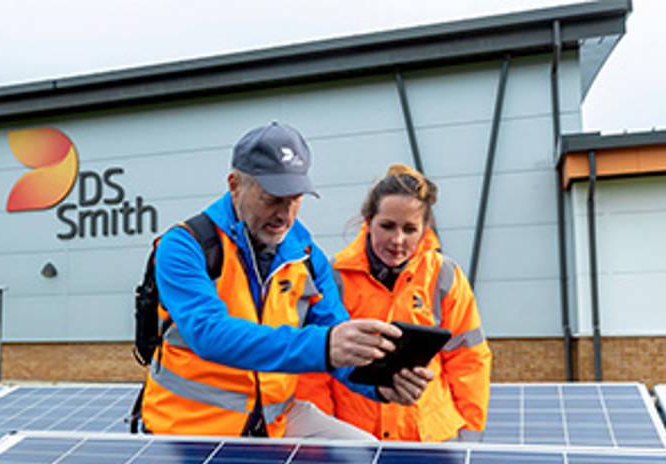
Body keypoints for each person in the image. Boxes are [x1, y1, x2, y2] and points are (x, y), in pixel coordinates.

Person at [140, 122, 434, 437]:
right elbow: (209, 334)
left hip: (275, 419)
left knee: (368, 457)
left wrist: (378, 383)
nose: (285, 214)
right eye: (272, 198)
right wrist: (323, 346)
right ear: (235, 185)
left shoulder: (306, 256)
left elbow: (336, 338)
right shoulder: (185, 246)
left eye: (295, 199)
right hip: (189, 429)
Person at [296, 164, 492, 442]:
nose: (397, 240)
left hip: (431, 440)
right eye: (387, 226)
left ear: (425, 230)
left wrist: (471, 435)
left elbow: (469, 359)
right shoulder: (333, 278)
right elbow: (315, 367)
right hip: (355, 439)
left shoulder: (445, 276)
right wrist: (323, 439)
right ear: (367, 220)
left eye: (410, 229)